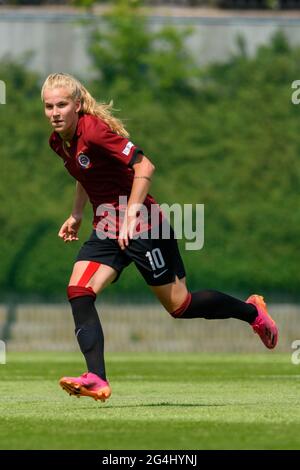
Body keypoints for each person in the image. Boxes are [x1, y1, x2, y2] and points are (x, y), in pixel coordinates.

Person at [41, 73, 278, 402]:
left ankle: (252, 312)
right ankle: (96, 377)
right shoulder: (59, 142)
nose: (55, 111)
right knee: (79, 290)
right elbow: (85, 173)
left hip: (143, 223)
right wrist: (77, 213)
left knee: (181, 306)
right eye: (49, 106)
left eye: (62, 104)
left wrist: (132, 216)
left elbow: (145, 167)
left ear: (77, 105)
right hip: (109, 225)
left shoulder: (93, 129)